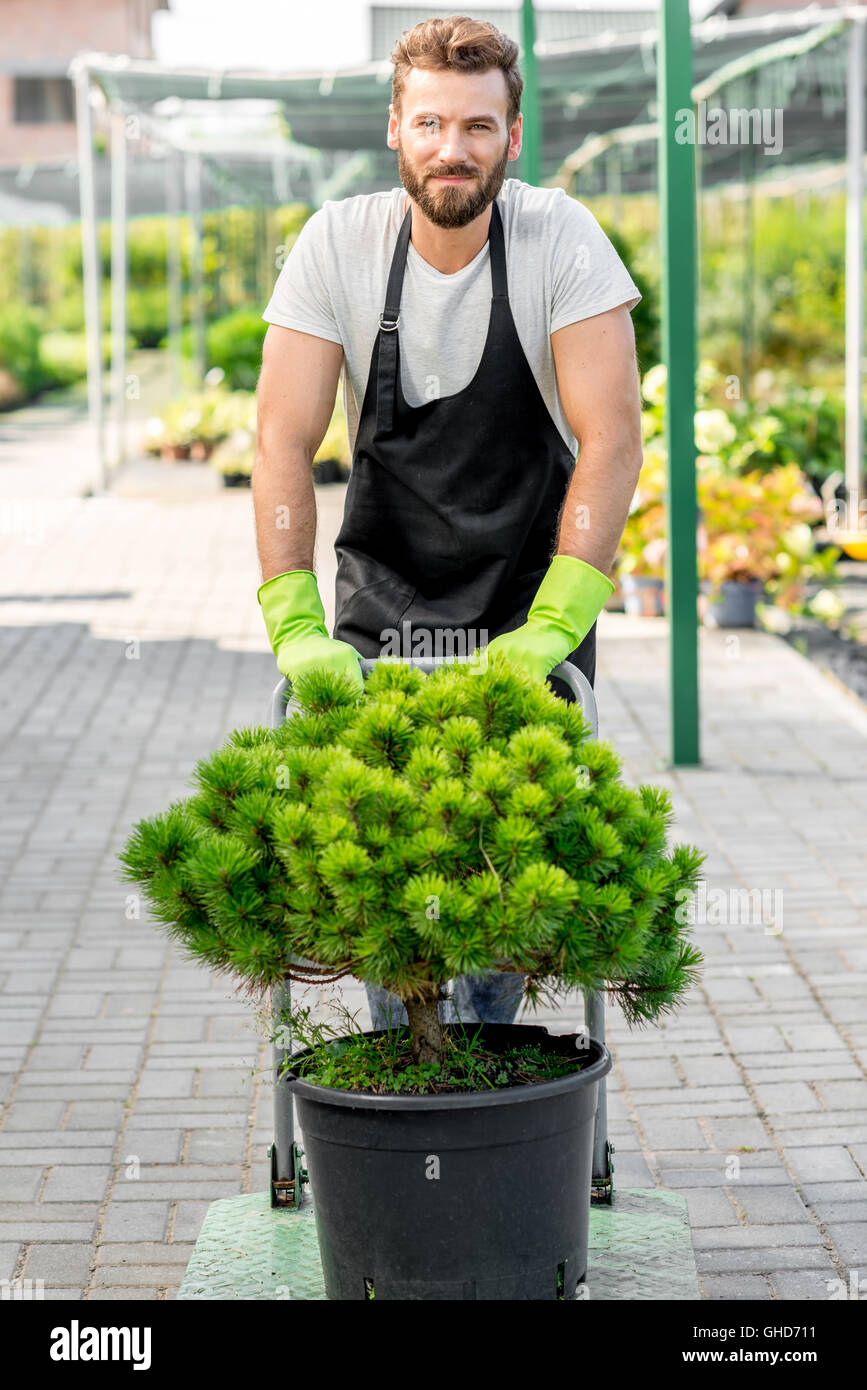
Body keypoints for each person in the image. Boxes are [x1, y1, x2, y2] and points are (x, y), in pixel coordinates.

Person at [253, 15, 644, 1031]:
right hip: (381, 622)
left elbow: (611, 440)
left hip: (525, 616)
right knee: (394, 903)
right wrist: (295, 618)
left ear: (513, 136)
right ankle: (416, 1068)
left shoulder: (562, 240)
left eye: (478, 125)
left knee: (507, 909)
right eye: (430, 122)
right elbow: (282, 442)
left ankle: (486, 1077)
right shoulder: (339, 245)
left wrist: (557, 626)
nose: (452, 148)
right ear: (396, 129)